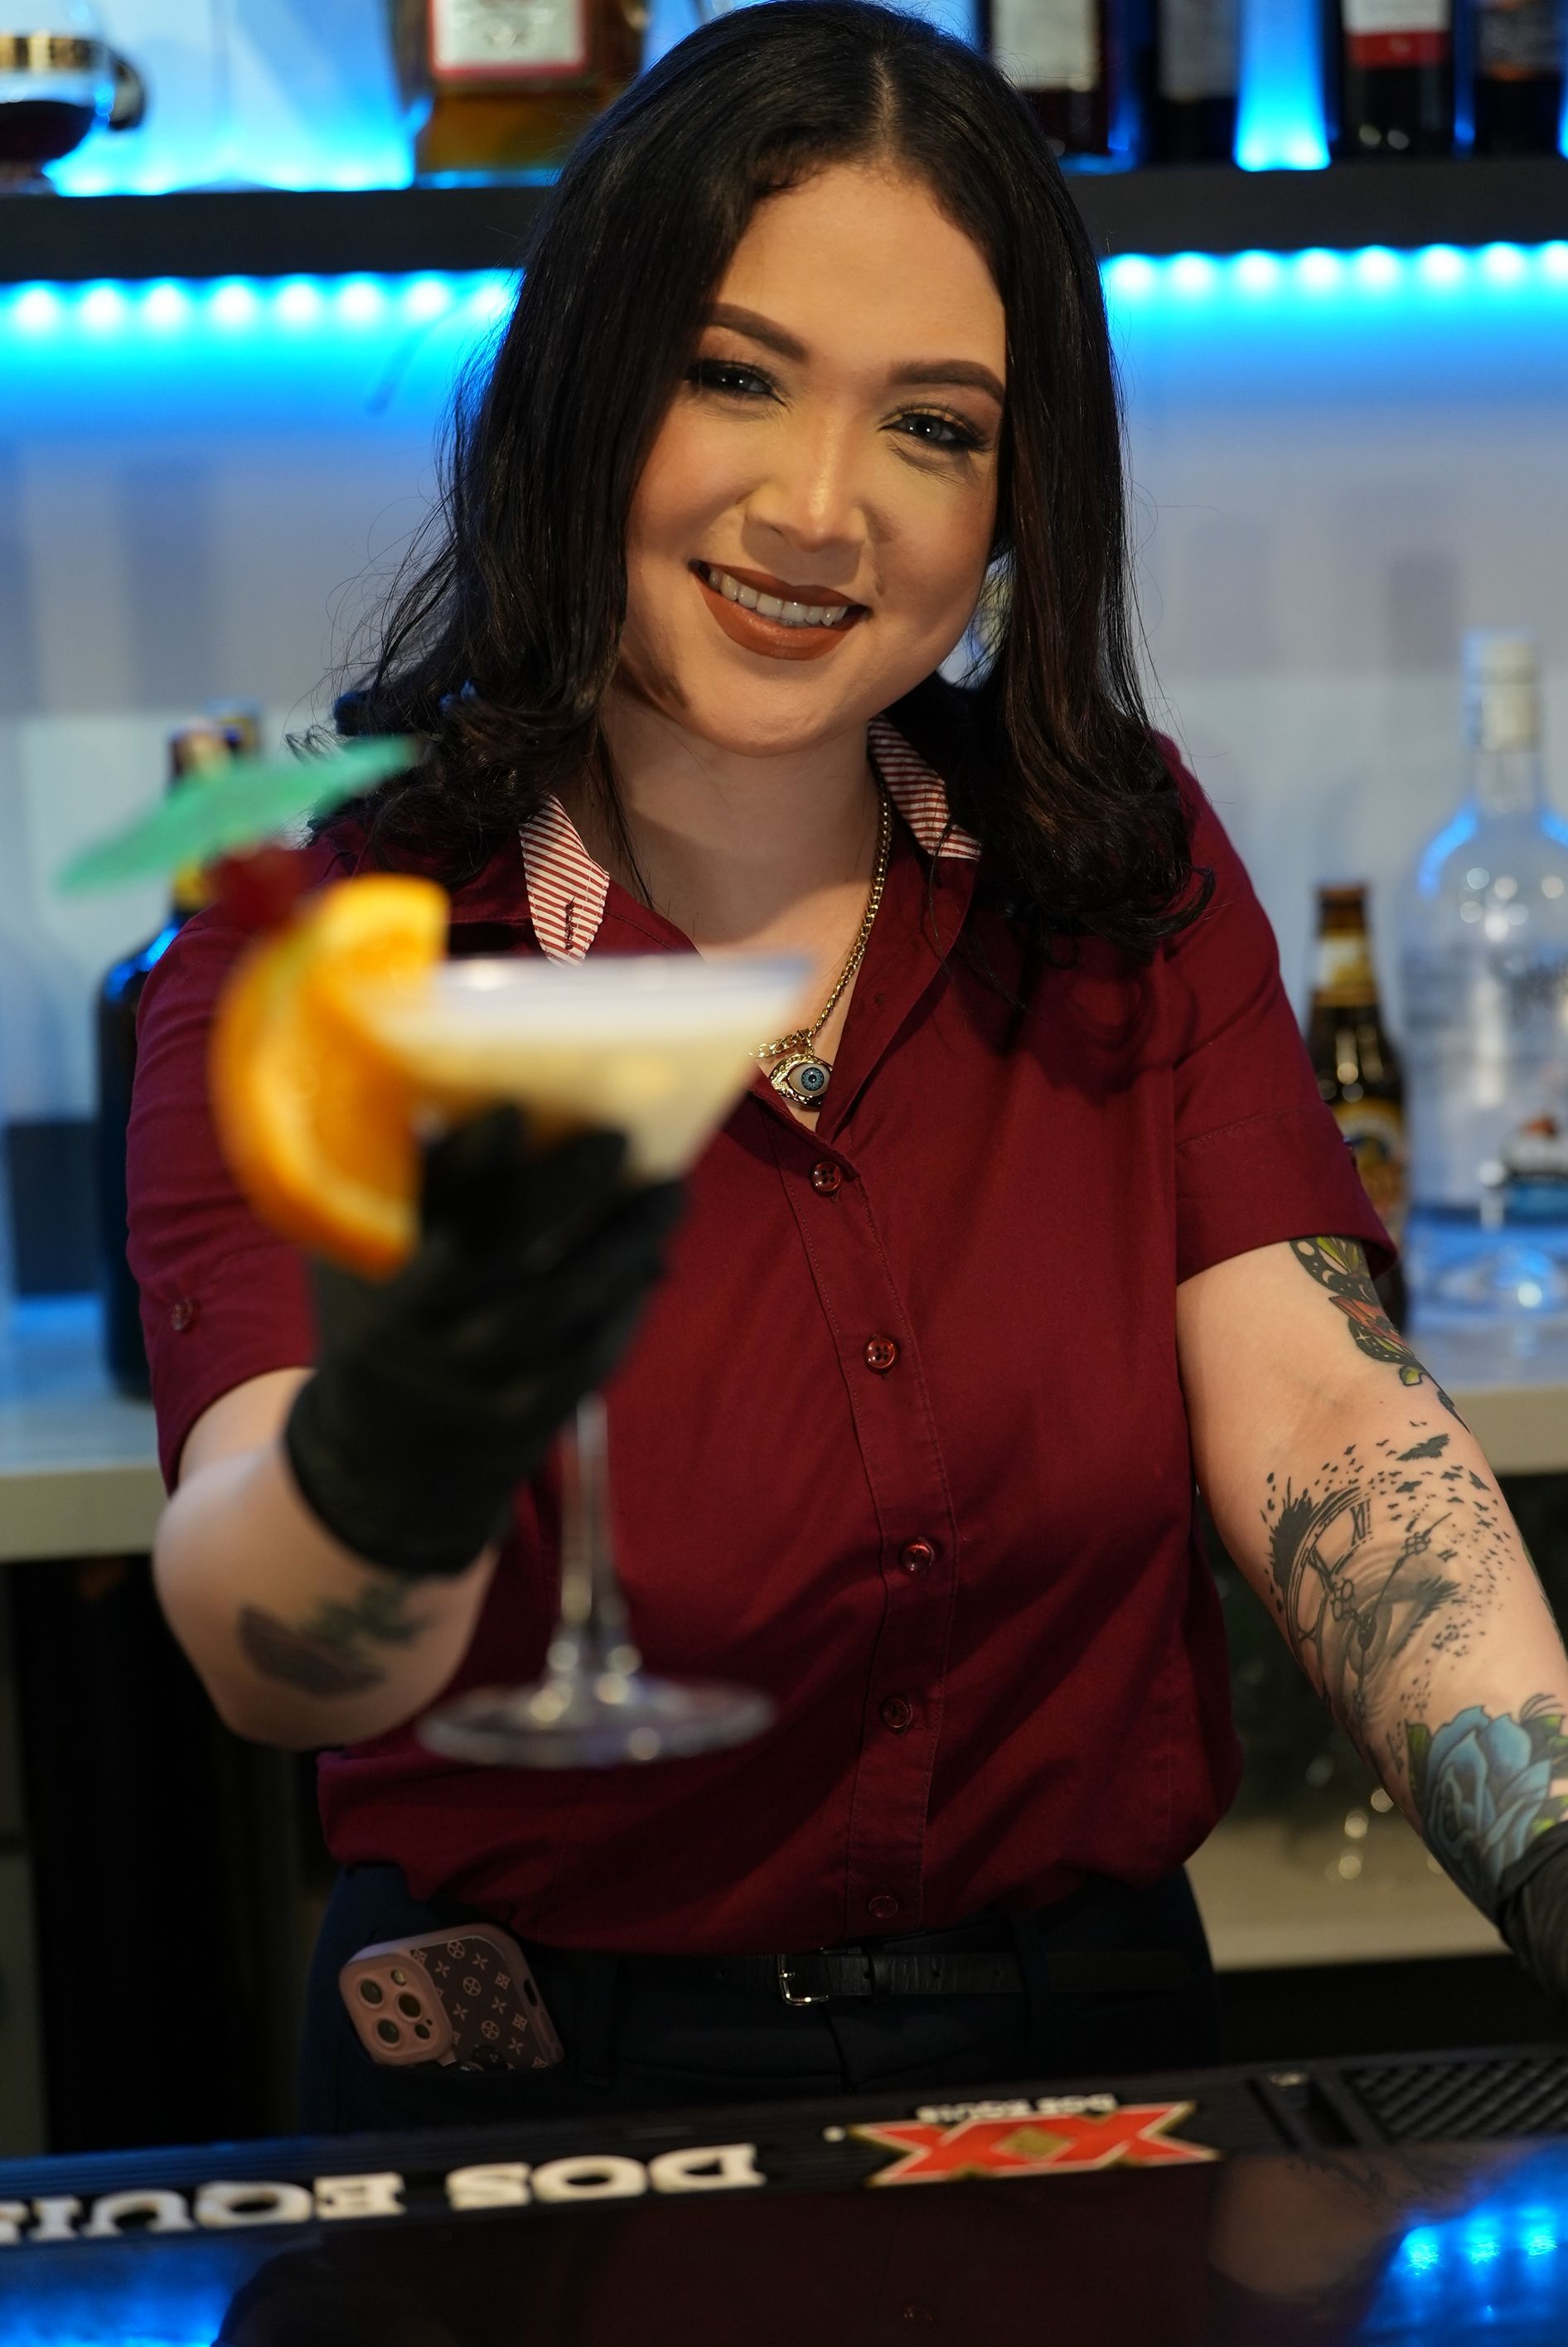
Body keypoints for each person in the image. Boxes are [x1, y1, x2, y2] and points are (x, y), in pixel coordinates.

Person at [128, 0, 1568, 2135]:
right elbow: (272, 1651)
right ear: (584, 390)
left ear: (1016, 497)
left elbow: (1326, 1416)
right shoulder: (327, 964)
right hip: (543, 2114)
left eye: (934, 425)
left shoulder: (1115, 872)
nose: (821, 510)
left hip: (1094, 2075)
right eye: (735, 375)